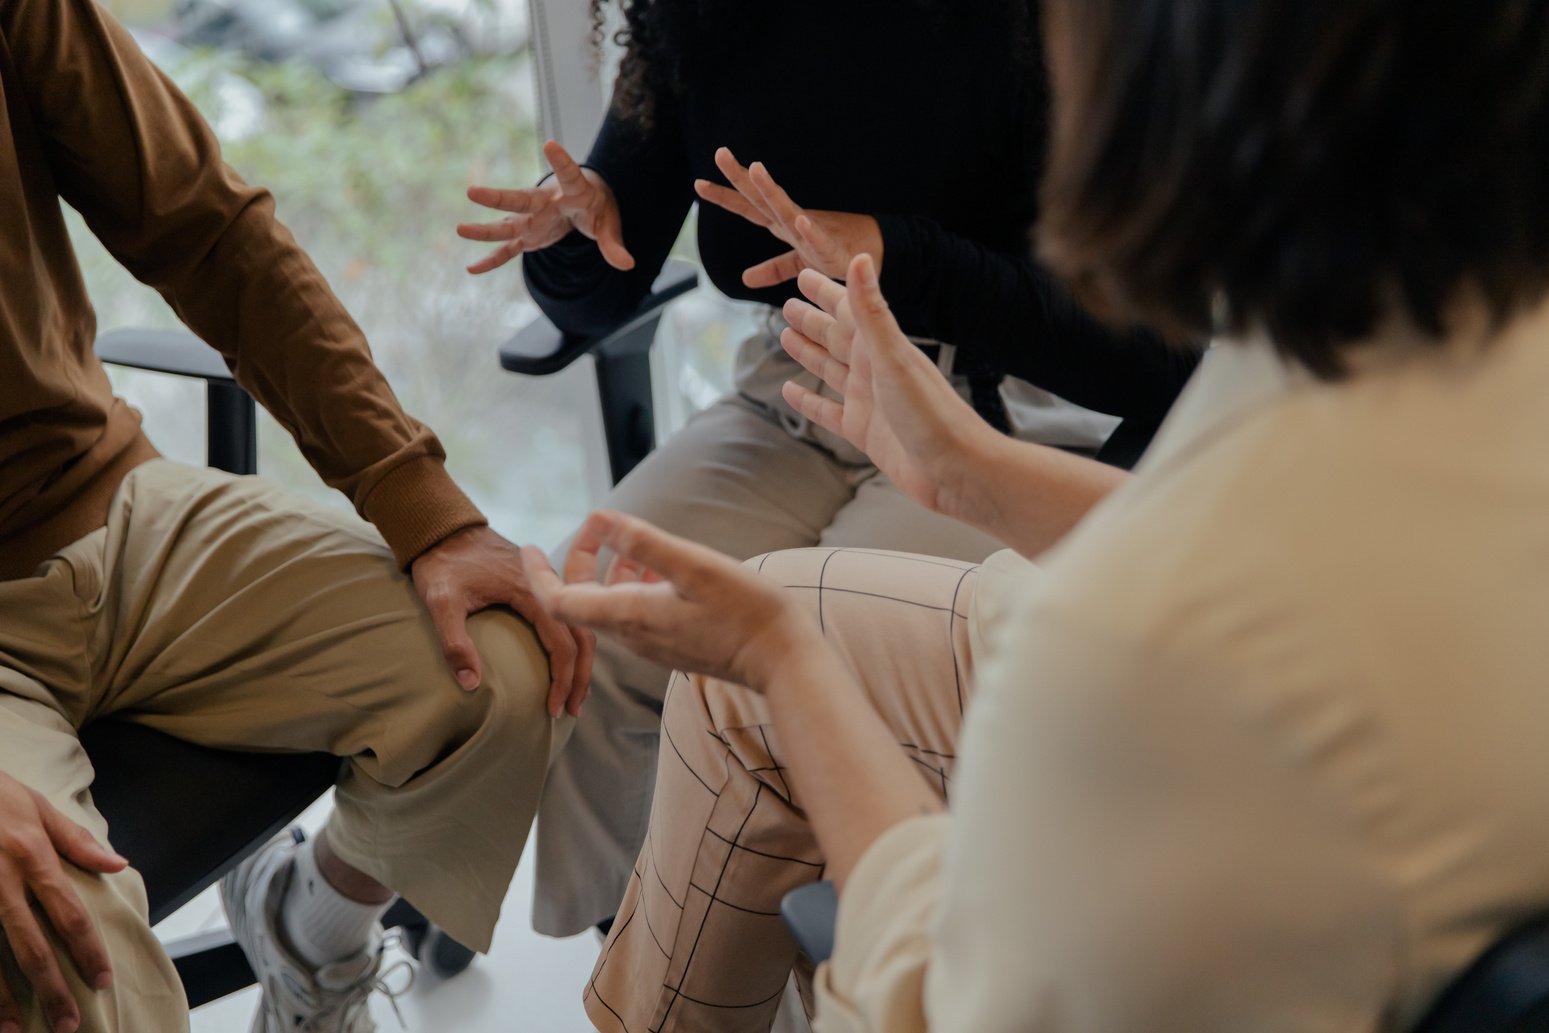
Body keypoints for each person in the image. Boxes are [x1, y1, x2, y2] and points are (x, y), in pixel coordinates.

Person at [527, 0, 1549, 1029]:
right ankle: (628, 937)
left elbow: (949, 1006)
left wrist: (786, 661)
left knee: (759, 661)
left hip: (1018, 433)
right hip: (822, 392)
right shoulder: (1392, 354)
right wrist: (965, 470)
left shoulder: (1126, 641)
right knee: (630, 604)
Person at [457, 0, 1200, 938]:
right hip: (794, 386)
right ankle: (644, 957)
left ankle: (827, 980)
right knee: (591, 615)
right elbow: (602, 281)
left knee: (799, 663)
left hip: (993, 410)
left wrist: (899, 256)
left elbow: (1161, 354)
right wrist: (570, 238)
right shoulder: (696, 19)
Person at [0, 2, 593, 1031]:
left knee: (503, 668)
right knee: (62, 962)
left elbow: (206, 229)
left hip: (121, 513)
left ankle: (308, 938)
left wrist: (426, 509)